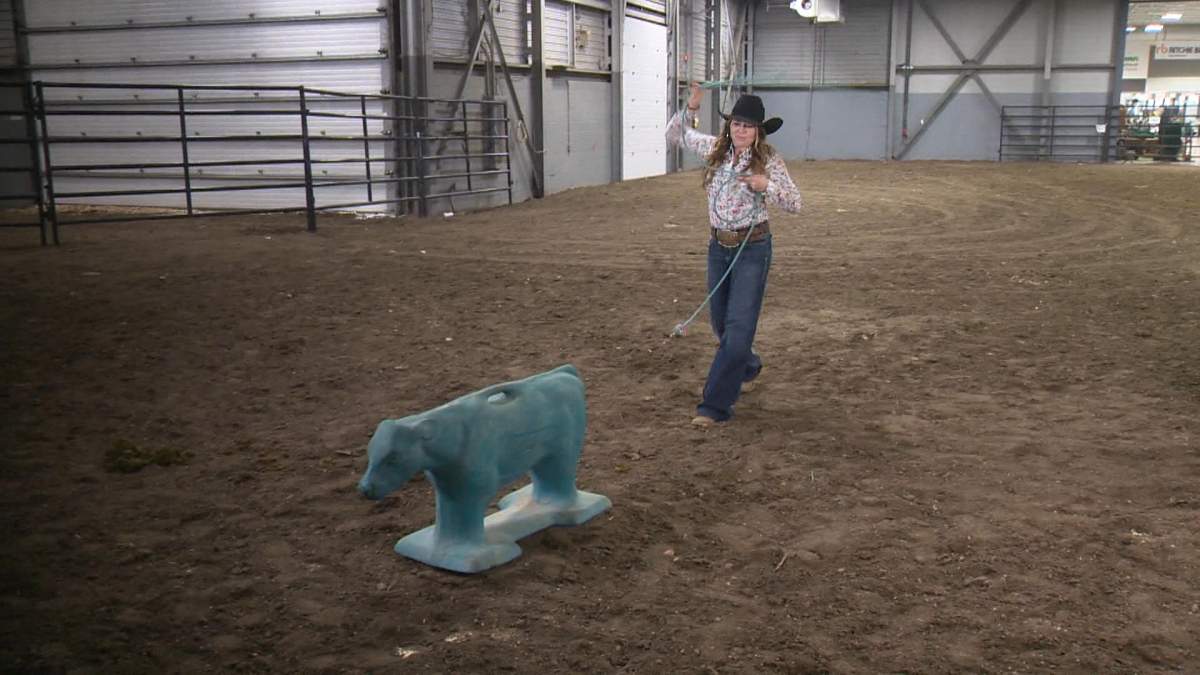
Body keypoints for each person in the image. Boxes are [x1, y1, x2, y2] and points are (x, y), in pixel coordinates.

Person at [666, 82, 803, 428]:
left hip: (752, 249)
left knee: (738, 328)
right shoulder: (715, 148)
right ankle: (747, 363)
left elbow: (795, 203)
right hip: (718, 247)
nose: (740, 130)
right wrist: (692, 106)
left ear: (758, 131)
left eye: (748, 125)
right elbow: (676, 134)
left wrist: (765, 186)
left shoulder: (769, 161)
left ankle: (713, 406)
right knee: (721, 323)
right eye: (736, 124)